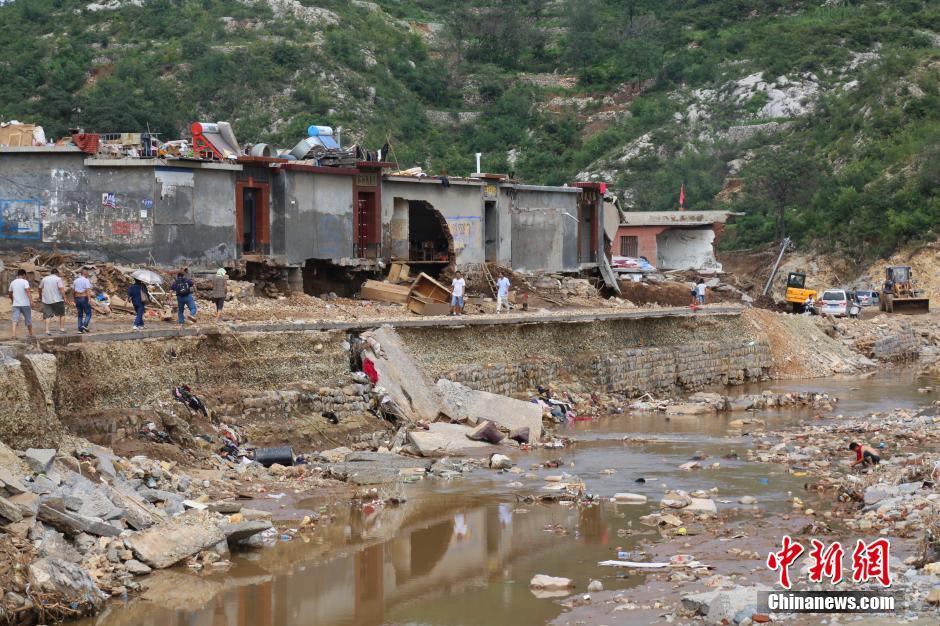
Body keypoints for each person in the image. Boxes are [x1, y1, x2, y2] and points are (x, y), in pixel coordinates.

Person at [38, 268, 66, 335]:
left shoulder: (44, 279)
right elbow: (61, 289)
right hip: (58, 299)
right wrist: (65, 297)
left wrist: (40, 296)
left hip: (46, 300)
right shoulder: (58, 279)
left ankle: (47, 330)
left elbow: (39, 288)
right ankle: (62, 329)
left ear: (51, 273)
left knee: (48, 316)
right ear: (57, 273)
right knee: (62, 314)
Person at [8, 269, 33, 340]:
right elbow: (28, 291)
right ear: (24, 275)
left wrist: (13, 300)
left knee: (15, 320)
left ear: (18, 274)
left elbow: (9, 293)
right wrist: (31, 301)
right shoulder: (25, 281)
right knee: (28, 319)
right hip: (25, 304)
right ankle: (30, 334)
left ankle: (13, 335)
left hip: (16, 304)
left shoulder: (13, 282)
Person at [73, 269, 93, 333]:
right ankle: (84, 325)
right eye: (87, 274)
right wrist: (89, 299)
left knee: (80, 314)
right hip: (84, 298)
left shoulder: (75, 280)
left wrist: (74, 299)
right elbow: (87, 290)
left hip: (77, 298)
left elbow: (73, 291)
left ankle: (80, 329)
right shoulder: (86, 280)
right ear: (85, 274)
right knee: (88, 313)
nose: (87, 275)